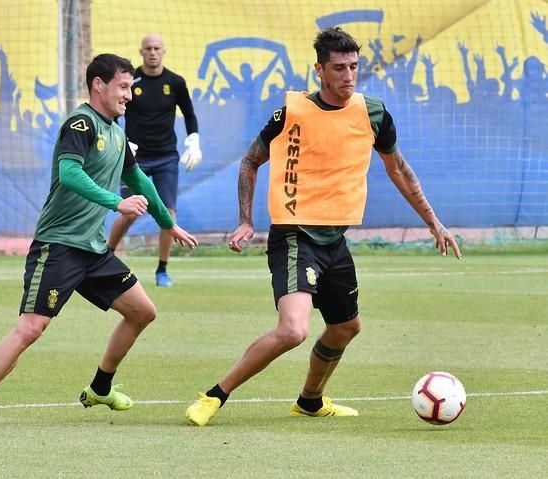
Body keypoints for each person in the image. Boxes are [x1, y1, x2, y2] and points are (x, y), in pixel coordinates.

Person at [185, 27, 461, 427]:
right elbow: (249, 162)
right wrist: (246, 219)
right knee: (293, 330)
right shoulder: (291, 113)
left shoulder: (373, 113)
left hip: (335, 239)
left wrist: (434, 221)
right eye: (339, 68)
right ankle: (213, 396)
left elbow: (398, 168)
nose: (348, 76)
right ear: (319, 70)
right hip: (296, 235)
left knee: (346, 326)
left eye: (353, 66)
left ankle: (310, 400)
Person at [0, 53, 198, 429]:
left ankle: (101, 387)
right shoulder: (81, 124)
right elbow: (70, 174)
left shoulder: (117, 132)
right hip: (59, 246)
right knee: (31, 328)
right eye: (123, 87)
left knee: (143, 311)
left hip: (93, 250)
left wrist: (169, 224)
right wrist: (117, 202)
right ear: (98, 84)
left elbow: (141, 184)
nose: (129, 96)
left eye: (131, 89)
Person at [107, 33, 201, 287]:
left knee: (168, 212)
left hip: (166, 158)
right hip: (133, 159)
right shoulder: (130, 82)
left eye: (156, 48)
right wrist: (121, 140)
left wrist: (194, 139)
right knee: (128, 212)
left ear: (163, 51)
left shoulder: (176, 82)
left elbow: (189, 114)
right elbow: (114, 112)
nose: (152, 52)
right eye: (148, 48)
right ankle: (106, 255)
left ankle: (162, 270)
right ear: (141, 51)